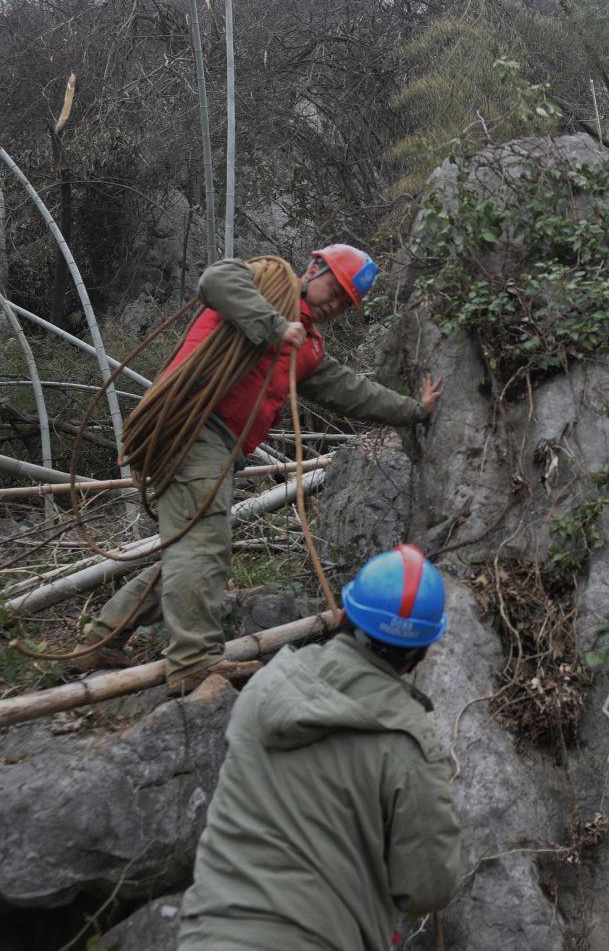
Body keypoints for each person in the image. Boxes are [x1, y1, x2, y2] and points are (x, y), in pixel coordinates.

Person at [74, 245, 442, 694]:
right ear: (314, 268)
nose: (335, 305)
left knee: (192, 546)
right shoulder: (267, 279)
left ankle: (102, 638)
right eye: (336, 290)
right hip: (191, 424)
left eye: (346, 304)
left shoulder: (306, 346)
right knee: (204, 545)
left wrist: (414, 410)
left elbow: (352, 390)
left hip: (221, 447)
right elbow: (216, 281)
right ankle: (192, 661)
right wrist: (272, 326)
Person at [178, 545, 463, 950]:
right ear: (423, 651)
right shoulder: (407, 744)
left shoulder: (265, 687)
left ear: (345, 615)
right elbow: (428, 889)